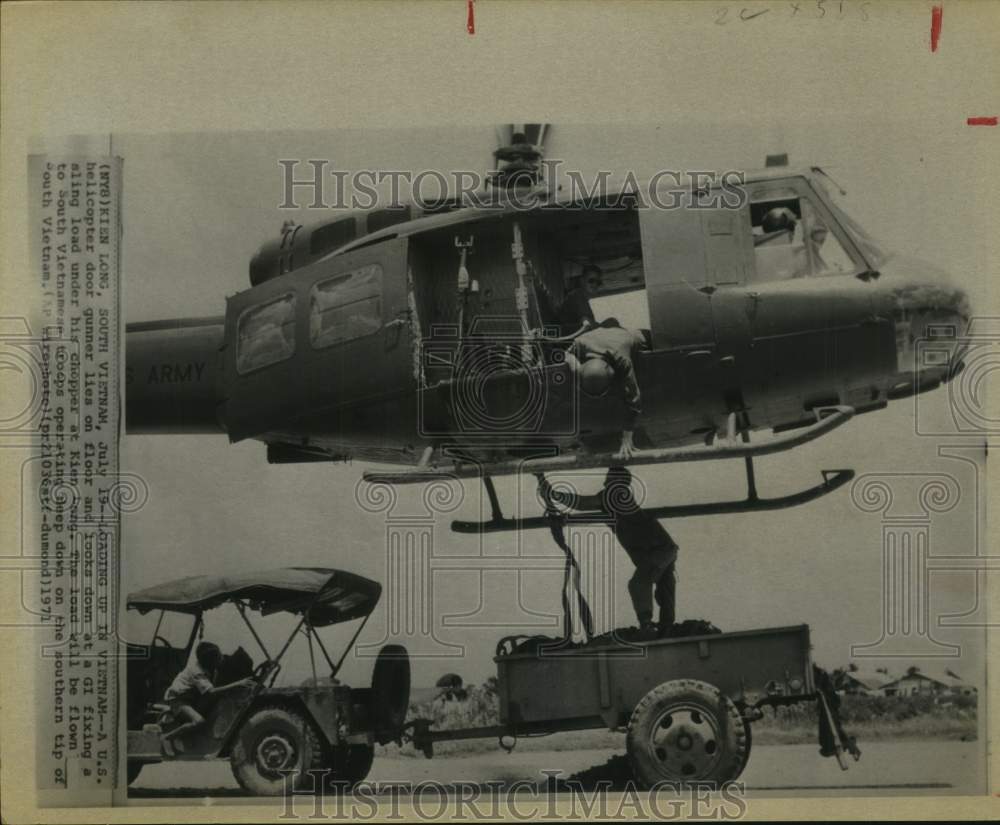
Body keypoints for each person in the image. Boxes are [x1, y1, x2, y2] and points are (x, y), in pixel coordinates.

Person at [538, 466, 678, 638]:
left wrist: (554, 495)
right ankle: (666, 627)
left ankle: (647, 626)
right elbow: (593, 516)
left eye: (608, 478)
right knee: (664, 588)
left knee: (639, 583)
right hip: (661, 549)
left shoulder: (617, 493)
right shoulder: (614, 504)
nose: (605, 482)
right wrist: (562, 517)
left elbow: (582, 504)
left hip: (658, 550)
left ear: (617, 481)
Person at [565, 317, 648, 459]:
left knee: (645, 340)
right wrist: (577, 369)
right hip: (598, 334)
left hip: (630, 335)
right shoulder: (580, 341)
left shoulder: (622, 358)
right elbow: (567, 354)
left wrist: (627, 437)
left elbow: (634, 399)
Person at [160, 641, 254, 754]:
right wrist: (238, 684)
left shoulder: (208, 666)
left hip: (190, 698)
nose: (222, 658)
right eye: (218, 658)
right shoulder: (197, 672)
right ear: (210, 661)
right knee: (199, 721)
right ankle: (167, 737)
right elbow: (211, 692)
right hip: (177, 700)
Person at [554, 265, 600, 337]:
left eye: (598, 282)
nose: (595, 284)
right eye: (591, 281)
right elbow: (586, 323)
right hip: (566, 341)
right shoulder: (577, 295)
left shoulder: (580, 297)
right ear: (582, 281)